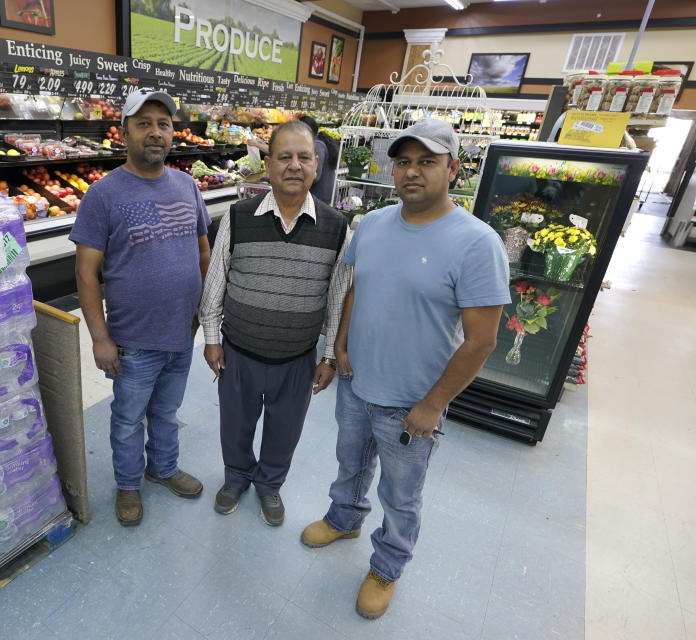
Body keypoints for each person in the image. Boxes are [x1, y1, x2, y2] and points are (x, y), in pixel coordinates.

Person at [300, 118, 510, 618]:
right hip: (356, 382)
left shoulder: (478, 243)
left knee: (401, 494)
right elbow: (357, 288)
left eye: (427, 161)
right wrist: (340, 345)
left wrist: (434, 404)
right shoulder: (371, 224)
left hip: (412, 401)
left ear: (453, 169)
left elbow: (482, 340)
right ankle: (345, 517)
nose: (412, 172)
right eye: (403, 161)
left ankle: (387, 565)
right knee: (349, 462)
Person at [69, 88, 212, 527]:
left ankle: (163, 468)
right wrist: (99, 338)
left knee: (166, 413)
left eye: (164, 124)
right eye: (144, 123)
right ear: (125, 132)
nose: (155, 132)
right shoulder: (103, 195)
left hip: (181, 333)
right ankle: (129, 484)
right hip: (132, 341)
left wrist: (203, 319)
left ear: (173, 134)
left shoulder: (187, 185)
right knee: (128, 419)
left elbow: (203, 255)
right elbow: (86, 274)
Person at [199, 120, 351, 527]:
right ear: (267, 164)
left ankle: (269, 485)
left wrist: (329, 357)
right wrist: (212, 339)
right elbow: (217, 280)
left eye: (304, 157)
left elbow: (337, 298)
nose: (294, 166)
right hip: (238, 351)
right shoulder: (238, 215)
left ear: (317, 166)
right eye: (284, 157)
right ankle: (236, 478)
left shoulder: (336, 227)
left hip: (298, 358)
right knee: (235, 424)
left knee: (285, 430)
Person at [298, 115, 339, 204]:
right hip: (324, 196)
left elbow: (316, 175)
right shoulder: (318, 141)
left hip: (322, 197)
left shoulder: (317, 145)